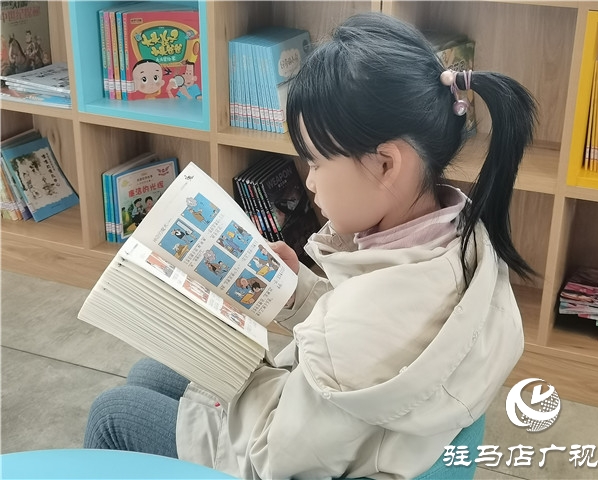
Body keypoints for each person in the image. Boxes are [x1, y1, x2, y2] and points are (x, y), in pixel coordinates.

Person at [84, 12, 536, 479]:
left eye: (316, 161)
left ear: (386, 164)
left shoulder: (355, 332)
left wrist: (242, 372)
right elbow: (375, 331)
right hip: (372, 435)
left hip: (285, 451)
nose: (311, 181)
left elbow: (271, 460)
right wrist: (299, 293)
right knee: (149, 374)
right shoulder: (462, 238)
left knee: (112, 415)